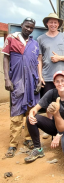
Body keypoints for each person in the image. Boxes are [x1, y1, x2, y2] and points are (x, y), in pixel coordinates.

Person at [2, 17, 41, 158]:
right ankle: (13, 143)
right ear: (22, 25)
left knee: (31, 111)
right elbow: (5, 58)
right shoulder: (12, 39)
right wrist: (7, 79)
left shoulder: (34, 43)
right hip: (17, 81)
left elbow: (37, 62)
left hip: (32, 81)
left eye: (31, 27)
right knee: (17, 112)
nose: (29, 29)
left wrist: (38, 80)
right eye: (27, 26)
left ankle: (28, 139)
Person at [24, 70, 64, 163]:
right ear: (54, 83)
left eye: (62, 80)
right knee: (31, 119)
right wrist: (31, 114)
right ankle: (38, 149)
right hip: (55, 126)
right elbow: (35, 108)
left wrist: (60, 134)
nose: (60, 83)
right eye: (57, 81)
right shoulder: (51, 93)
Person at [37, 13, 64, 98]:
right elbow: (39, 59)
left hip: (63, 77)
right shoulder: (40, 39)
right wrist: (40, 76)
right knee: (49, 105)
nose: (53, 25)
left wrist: (59, 58)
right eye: (51, 22)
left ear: (58, 24)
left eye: (55, 22)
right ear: (47, 23)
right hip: (47, 77)